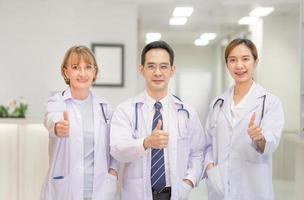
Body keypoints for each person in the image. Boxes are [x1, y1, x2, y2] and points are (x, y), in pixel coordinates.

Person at [110, 40, 206, 200]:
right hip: (137, 194)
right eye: (151, 66)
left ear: (172, 70)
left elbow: (198, 153)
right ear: (141, 69)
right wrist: (145, 143)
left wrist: (189, 182)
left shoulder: (187, 112)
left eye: (163, 66)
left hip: (175, 193)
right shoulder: (125, 110)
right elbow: (117, 150)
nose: (157, 72)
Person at [204, 38, 284, 200]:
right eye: (232, 60)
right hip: (220, 187)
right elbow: (207, 144)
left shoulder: (269, 102)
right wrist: (211, 168)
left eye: (245, 59)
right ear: (227, 65)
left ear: (255, 62)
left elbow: (270, 143)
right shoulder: (218, 103)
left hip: (254, 188)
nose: (239, 66)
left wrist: (259, 137)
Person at [40, 45, 119, 200]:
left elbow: (113, 145)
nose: (82, 73)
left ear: (94, 71)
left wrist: (113, 170)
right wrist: (57, 127)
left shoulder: (104, 107)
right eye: (76, 67)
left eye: (88, 67)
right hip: (65, 190)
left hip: (99, 189)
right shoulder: (57, 102)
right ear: (66, 72)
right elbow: (51, 119)